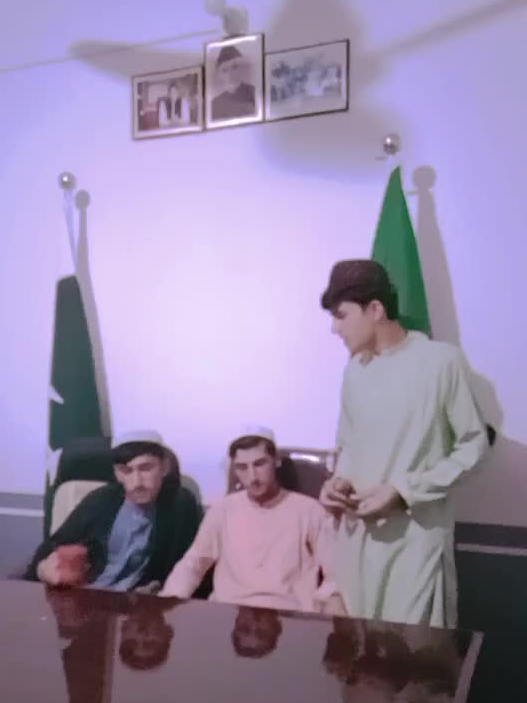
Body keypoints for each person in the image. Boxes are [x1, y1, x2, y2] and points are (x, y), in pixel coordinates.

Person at [319, 259, 488, 626]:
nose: (334, 328)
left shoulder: (441, 363)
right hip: (357, 546)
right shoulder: (355, 371)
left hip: (415, 547)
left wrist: (403, 491)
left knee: (413, 657)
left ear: (375, 309)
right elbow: (349, 445)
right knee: (359, 655)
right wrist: (338, 483)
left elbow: (474, 446)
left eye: (341, 315)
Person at [160, 426, 345, 613]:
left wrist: (329, 610)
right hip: (229, 613)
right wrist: (166, 606)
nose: (252, 477)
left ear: (276, 461)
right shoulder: (222, 511)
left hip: (290, 616)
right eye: (242, 467)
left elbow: (334, 575)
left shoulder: (310, 510)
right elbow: (193, 564)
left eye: (259, 464)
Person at [25, 431, 203, 592]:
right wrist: (42, 569)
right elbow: (50, 548)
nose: (137, 481)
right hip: (88, 597)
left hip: (142, 605)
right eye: (126, 471)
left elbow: (196, 565)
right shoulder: (100, 501)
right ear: (117, 474)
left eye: (146, 468)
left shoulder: (181, 504)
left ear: (164, 467)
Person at [210, 45, 256, 121]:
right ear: (218, 74)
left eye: (234, 67)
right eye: (225, 70)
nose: (230, 73)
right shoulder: (215, 103)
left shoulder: (253, 92)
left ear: (240, 69)